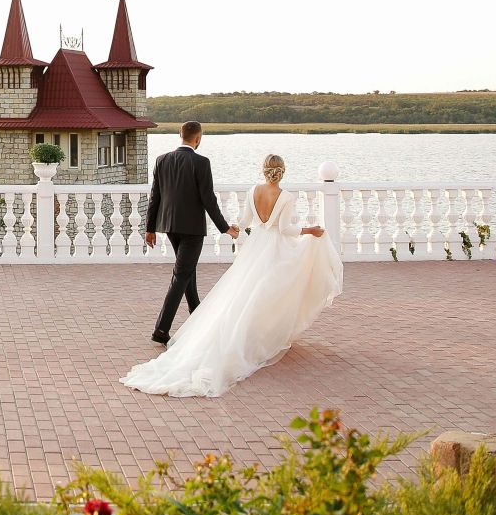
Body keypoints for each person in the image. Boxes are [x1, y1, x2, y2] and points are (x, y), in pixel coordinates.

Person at [123, 153, 344, 398]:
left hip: (256, 246)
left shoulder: (253, 191)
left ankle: (247, 334)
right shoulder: (286, 197)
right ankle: (260, 338)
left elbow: (245, 221)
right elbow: (285, 229)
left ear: (264, 170)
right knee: (270, 293)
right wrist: (310, 230)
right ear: (282, 171)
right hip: (274, 249)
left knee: (244, 292)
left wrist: (235, 228)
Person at [143, 121, 239, 344]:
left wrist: (150, 228)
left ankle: (197, 316)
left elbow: (155, 197)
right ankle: (161, 330)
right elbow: (208, 199)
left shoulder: (161, 160)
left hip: (169, 226)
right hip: (192, 229)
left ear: (180, 135)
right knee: (181, 275)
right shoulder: (201, 162)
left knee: (187, 272)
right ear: (198, 138)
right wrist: (225, 228)